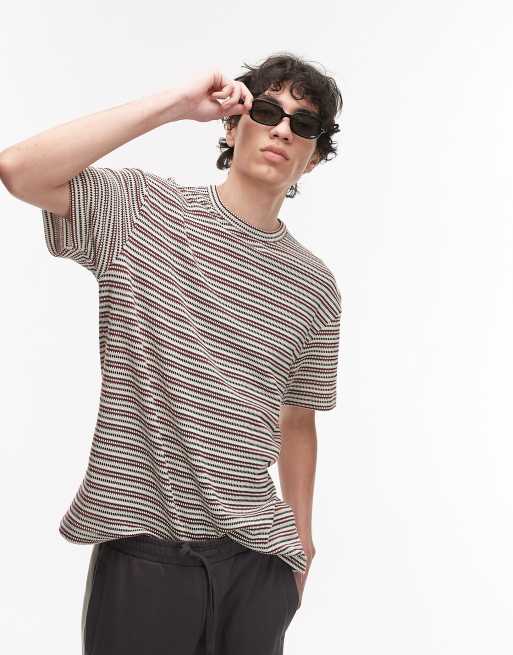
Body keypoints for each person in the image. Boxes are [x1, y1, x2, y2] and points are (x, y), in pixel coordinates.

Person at [0, 51, 343, 655]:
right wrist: (176, 105)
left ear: (313, 157)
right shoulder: (141, 213)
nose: (283, 130)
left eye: (305, 124)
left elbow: (297, 419)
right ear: (233, 126)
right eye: (267, 112)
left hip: (258, 567)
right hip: (145, 557)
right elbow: (20, 170)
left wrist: (303, 541)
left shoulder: (315, 285)